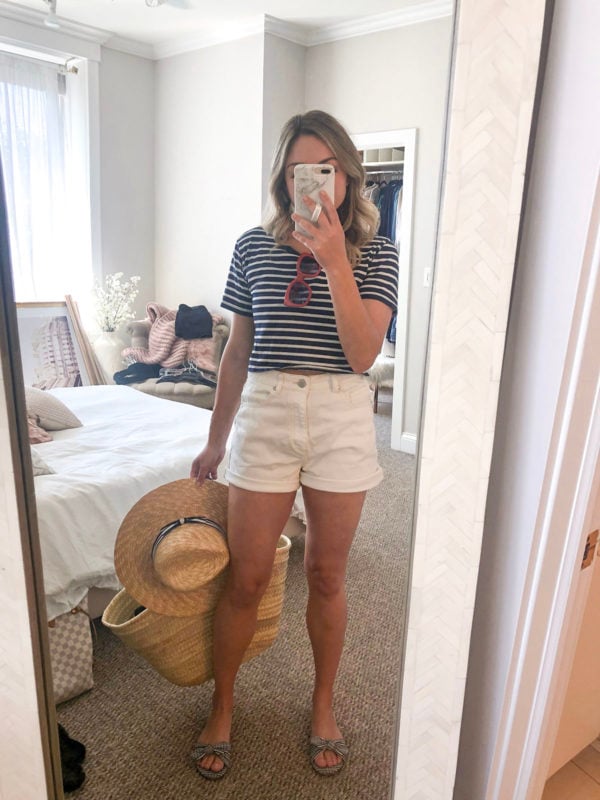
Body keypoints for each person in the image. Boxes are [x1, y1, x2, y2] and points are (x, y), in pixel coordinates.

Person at [189, 109, 399, 779]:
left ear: (347, 174)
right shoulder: (253, 246)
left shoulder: (380, 253)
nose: (312, 180)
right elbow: (236, 355)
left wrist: (336, 259)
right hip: (268, 412)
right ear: (284, 178)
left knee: (327, 575)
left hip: (341, 416)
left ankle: (323, 702)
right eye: (297, 169)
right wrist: (215, 441)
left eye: (326, 168)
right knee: (245, 579)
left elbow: (364, 352)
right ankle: (222, 705)